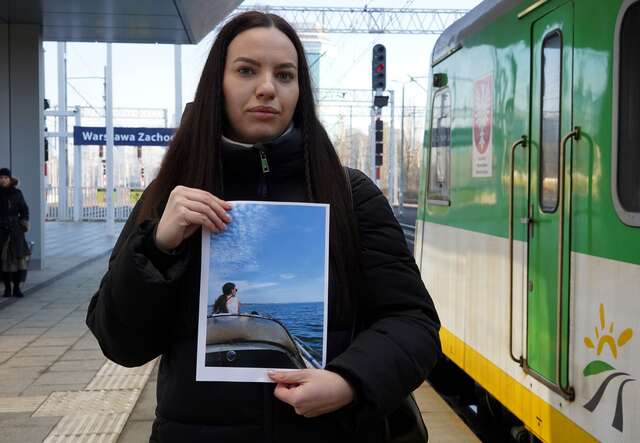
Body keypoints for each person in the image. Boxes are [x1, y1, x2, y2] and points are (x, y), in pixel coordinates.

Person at [86, 11, 441, 443]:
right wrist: (158, 247)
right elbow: (120, 344)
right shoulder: (170, 196)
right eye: (247, 70)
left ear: (300, 92)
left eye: (285, 75)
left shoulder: (351, 194)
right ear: (218, 83)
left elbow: (412, 322)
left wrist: (350, 382)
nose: (268, 87)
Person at [0, 168, 30, 298]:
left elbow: (24, 209)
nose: (3, 180)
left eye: (5, 178)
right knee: (3, 261)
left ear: (10, 179)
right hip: (1, 231)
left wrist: (23, 224)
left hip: (16, 231)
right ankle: (7, 288)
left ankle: (17, 288)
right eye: (1, 178)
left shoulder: (17, 193)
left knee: (19, 261)